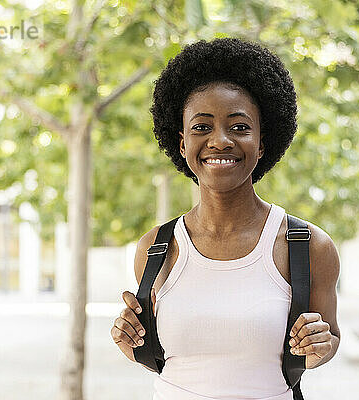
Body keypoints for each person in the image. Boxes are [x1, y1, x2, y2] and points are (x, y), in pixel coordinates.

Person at [111, 37, 341, 400]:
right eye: (202, 127)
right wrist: (134, 344)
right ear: (182, 142)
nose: (220, 141)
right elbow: (172, 359)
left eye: (239, 127)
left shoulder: (309, 246)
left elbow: (328, 342)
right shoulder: (156, 248)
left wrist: (320, 346)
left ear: (262, 142)